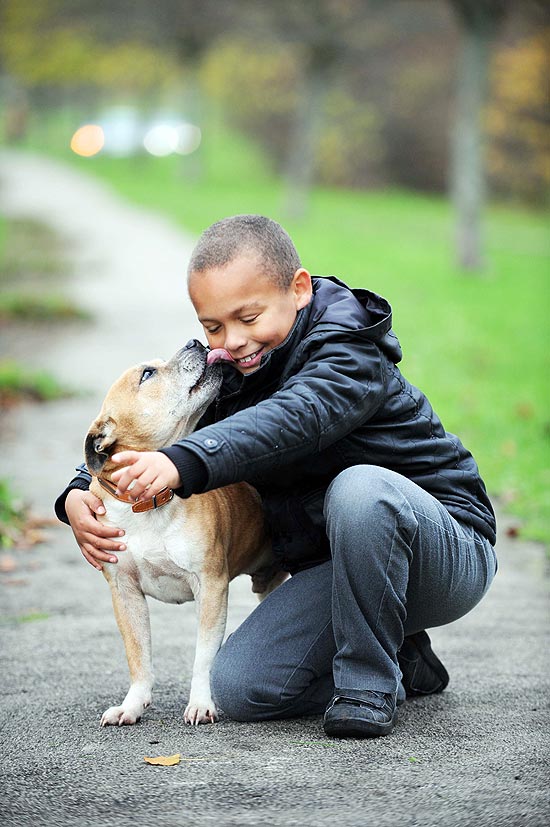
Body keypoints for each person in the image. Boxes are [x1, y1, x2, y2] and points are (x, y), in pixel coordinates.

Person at [55, 214, 497, 738]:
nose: (233, 341)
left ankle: (367, 686)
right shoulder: (234, 371)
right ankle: (403, 655)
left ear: (299, 289)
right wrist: (80, 490)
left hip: (445, 551)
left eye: (249, 317)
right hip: (340, 569)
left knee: (360, 489)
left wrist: (185, 463)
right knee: (241, 688)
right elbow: (153, 426)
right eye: (213, 327)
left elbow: (293, 418)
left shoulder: (348, 350)